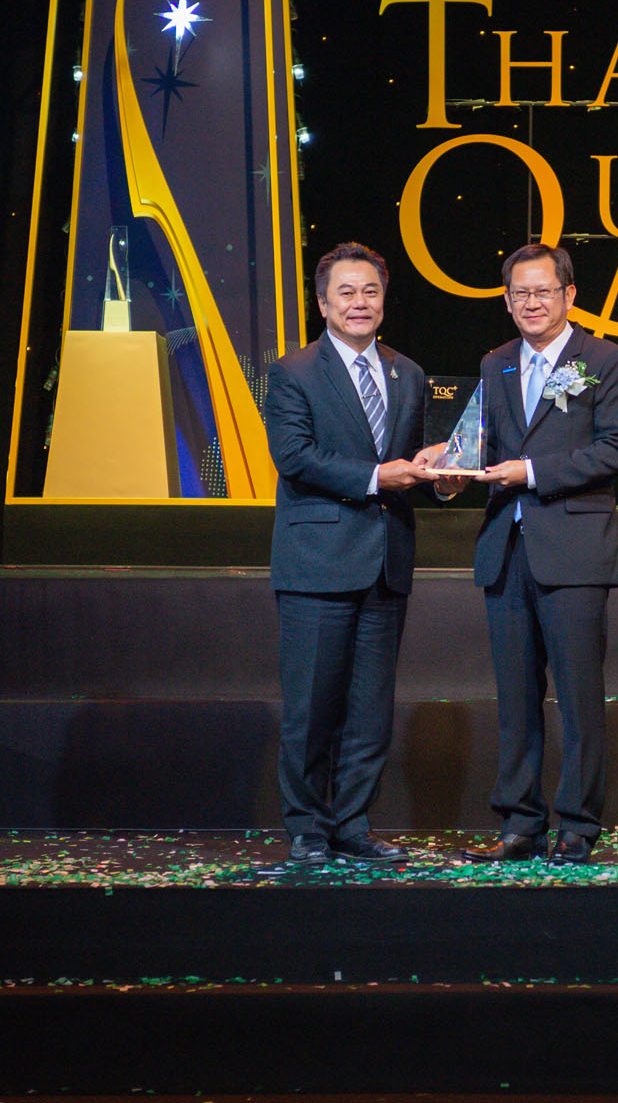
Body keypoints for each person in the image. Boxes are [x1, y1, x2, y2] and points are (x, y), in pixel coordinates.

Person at [426, 244, 618, 864]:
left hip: (574, 549)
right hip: (506, 548)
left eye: (544, 291)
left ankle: (577, 825)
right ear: (507, 300)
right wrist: (449, 472)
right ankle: (521, 823)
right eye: (520, 293)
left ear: (569, 295)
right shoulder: (495, 363)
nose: (532, 303)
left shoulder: (606, 360)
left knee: (578, 697)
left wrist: (531, 472)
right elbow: (481, 446)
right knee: (515, 700)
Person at [264, 242, 433, 864]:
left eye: (370, 291)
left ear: (383, 300)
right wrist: (375, 477)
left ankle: (352, 824)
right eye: (346, 292)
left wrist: (440, 476)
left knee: (370, 711)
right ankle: (308, 828)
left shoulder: (408, 372)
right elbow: (294, 457)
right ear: (322, 302)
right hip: (317, 562)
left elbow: (412, 463)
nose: (360, 302)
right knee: (312, 708)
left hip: (386, 564)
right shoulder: (293, 372)